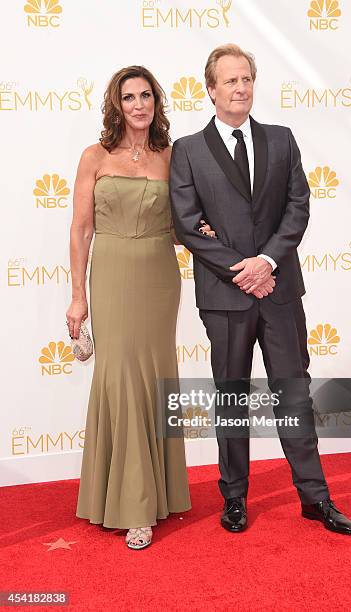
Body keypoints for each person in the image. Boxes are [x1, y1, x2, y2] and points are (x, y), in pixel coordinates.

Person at [169, 44, 351, 536]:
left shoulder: (281, 139)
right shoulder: (187, 151)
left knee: (293, 395)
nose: (240, 88)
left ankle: (315, 497)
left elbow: (299, 205)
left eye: (246, 79)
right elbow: (188, 225)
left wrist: (268, 261)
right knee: (230, 398)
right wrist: (244, 268)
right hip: (226, 297)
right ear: (210, 90)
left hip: (279, 291)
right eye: (229, 81)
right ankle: (234, 497)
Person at [67, 66, 213, 549]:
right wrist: (77, 296)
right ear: (116, 104)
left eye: (146, 95)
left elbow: (180, 227)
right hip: (110, 272)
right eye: (129, 97)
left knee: (153, 375)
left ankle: (158, 495)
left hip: (158, 274)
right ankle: (130, 502)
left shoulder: (173, 157)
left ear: (156, 102)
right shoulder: (94, 156)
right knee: (119, 375)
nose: (138, 104)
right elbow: (81, 230)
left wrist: (208, 236)